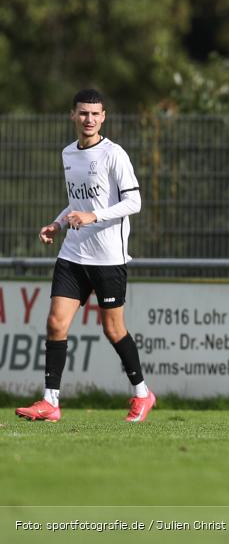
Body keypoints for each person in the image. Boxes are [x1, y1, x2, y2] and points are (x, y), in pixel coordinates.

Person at [15, 89, 155, 423]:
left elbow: (134, 203)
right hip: (74, 253)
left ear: (103, 116)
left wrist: (94, 217)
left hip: (108, 258)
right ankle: (51, 402)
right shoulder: (68, 154)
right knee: (55, 323)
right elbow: (78, 203)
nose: (88, 119)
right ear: (72, 116)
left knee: (113, 330)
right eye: (82, 113)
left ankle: (142, 393)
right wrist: (58, 222)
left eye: (94, 114)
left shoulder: (114, 154)